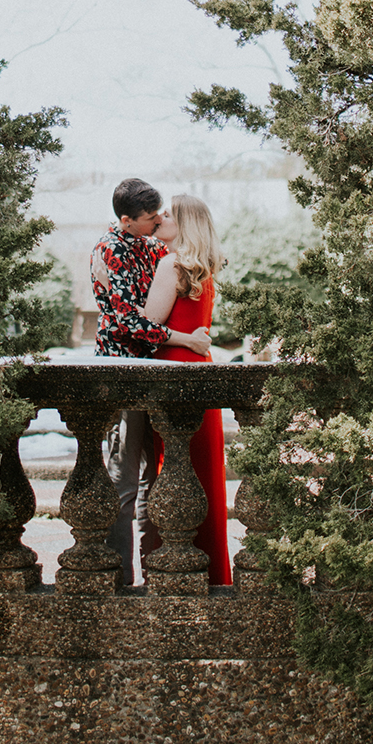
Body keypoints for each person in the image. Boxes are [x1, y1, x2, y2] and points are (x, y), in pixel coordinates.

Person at [91, 178, 211, 586]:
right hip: (125, 373)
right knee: (123, 479)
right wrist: (185, 339)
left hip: (157, 371)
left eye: (162, 213)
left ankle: (151, 571)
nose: (160, 219)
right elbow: (126, 324)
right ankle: (119, 578)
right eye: (151, 217)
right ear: (127, 221)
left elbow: (190, 263)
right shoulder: (107, 252)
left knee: (153, 480)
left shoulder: (152, 245)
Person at [141, 193, 231, 584]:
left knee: (173, 470)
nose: (160, 219)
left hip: (174, 375)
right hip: (201, 373)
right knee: (203, 473)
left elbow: (148, 329)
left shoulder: (171, 265)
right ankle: (211, 569)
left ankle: (176, 569)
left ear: (184, 224)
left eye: (168, 215)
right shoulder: (203, 268)